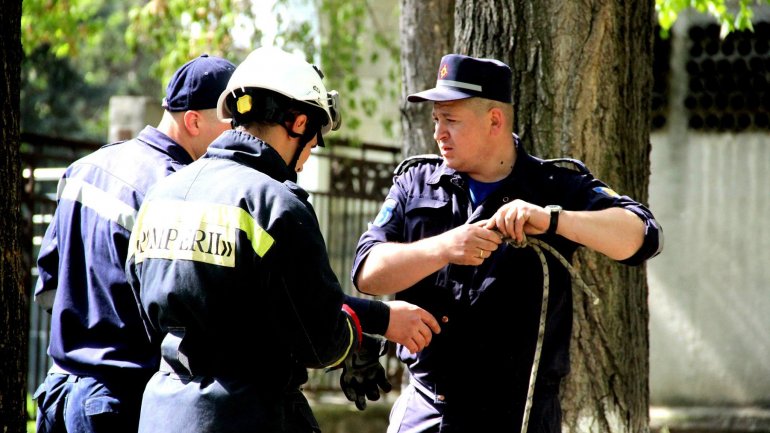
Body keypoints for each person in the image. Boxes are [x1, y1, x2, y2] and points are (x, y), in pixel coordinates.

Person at [124, 46, 441, 433]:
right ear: (298, 123)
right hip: (250, 417)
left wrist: (377, 319)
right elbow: (318, 342)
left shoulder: (160, 196)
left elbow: (145, 315)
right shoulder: (278, 206)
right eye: (314, 139)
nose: (308, 156)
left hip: (160, 415)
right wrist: (352, 341)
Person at [352, 53, 664, 433]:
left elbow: (642, 236)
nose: (438, 134)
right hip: (427, 409)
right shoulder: (415, 182)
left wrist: (552, 219)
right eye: (436, 120)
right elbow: (367, 272)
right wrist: (446, 247)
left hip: (518, 414)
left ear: (494, 121)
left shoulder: (552, 186)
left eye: (451, 120)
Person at [33, 54, 237, 433]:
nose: (241, 135)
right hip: (119, 403)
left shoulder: (85, 167)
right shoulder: (178, 191)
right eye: (233, 122)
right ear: (193, 121)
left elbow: (48, 288)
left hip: (56, 395)